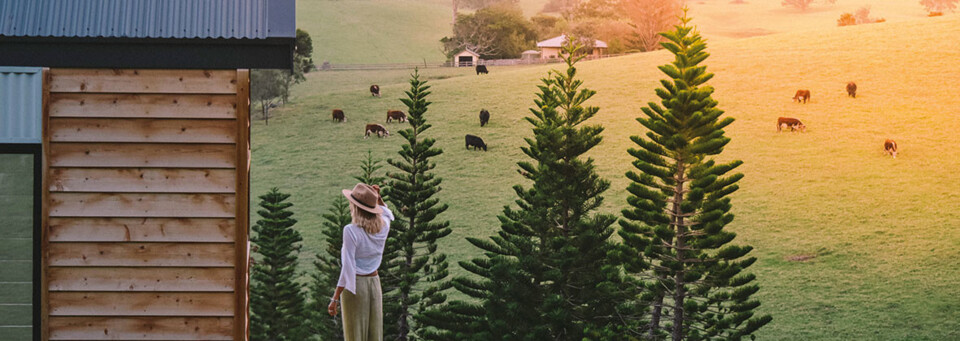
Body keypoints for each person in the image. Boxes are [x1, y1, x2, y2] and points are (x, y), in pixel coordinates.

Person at [328, 183, 394, 341]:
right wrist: (378, 199)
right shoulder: (384, 226)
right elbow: (388, 213)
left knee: (354, 335)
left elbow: (347, 268)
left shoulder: (351, 231)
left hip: (355, 286)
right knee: (375, 335)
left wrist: (335, 297)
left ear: (356, 208)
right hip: (374, 283)